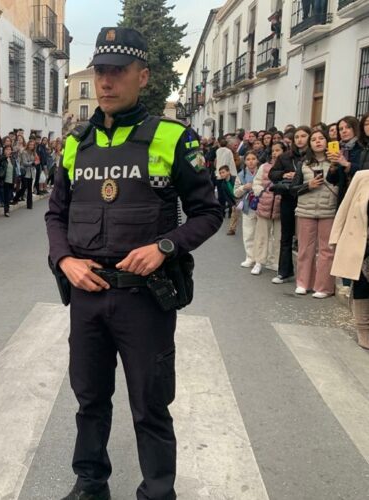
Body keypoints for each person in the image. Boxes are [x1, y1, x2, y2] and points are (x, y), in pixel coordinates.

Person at [45, 27, 222, 500]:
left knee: (150, 406)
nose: (105, 82)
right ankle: (90, 484)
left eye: (117, 72)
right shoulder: (75, 142)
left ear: (142, 77)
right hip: (87, 295)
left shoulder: (172, 138)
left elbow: (209, 213)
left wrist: (164, 247)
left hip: (145, 299)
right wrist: (64, 260)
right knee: (89, 401)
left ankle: (158, 493)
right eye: (100, 71)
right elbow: (55, 214)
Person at [290, 128, 338, 298]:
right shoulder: (304, 163)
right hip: (305, 210)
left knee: (326, 250)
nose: (317, 141)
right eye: (314, 139)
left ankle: (323, 287)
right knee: (305, 248)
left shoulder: (335, 161)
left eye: (321, 138)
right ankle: (303, 283)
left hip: (329, 210)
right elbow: (292, 189)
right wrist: (308, 185)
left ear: (327, 141)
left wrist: (336, 167)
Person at [329, 170, 369, 349]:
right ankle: (364, 328)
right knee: (363, 285)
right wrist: (336, 239)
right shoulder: (362, 177)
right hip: (363, 242)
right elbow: (344, 208)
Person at [269, 126, 310, 284]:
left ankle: (306, 276)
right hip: (288, 198)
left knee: (305, 239)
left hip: (307, 198)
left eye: (303, 136)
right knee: (286, 236)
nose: (300, 139)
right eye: (297, 137)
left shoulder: (312, 157)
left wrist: (300, 176)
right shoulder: (285, 157)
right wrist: (284, 174)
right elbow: (272, 173)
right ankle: (284, 271)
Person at [251, 142, 285, 274]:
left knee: (278, 236)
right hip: (265, 205)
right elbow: (257, 182)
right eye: (273, 150)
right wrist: (261, 192)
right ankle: (259, 261)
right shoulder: (264, 167)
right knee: (261, 236)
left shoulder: (288, 167)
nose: (275, 153)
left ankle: (274, 261)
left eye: (278, 150)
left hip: (280, 206)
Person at [326, 115, 363, 206]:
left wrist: (347, 164)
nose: (344, 131)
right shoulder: (340, 149)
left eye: (348, 127)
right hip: (343, 196)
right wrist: (333, 166)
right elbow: (332, 180)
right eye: (341, 129)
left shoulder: (363, 147)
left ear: (356, 128)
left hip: (360, 196)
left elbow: (364, 171)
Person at [234, 151, 261, 269]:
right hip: (248, 206)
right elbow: (235, 192)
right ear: (245, 161)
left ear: (257, 160)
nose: (251, 161)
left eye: (253, 158)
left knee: (262, 235)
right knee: (249, 233)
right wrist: (244, 187)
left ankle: (261, 259)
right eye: (248, 159)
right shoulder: (241, 175)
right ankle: (250, 258)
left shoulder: (263, 173)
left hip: (262, 206)